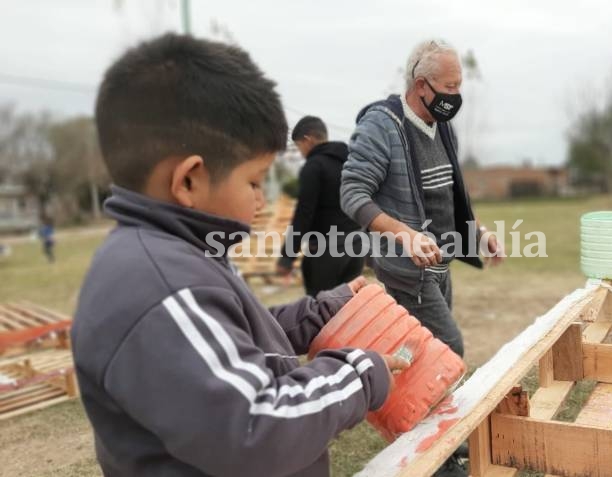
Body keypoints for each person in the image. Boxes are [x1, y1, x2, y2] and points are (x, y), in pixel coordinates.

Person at [71, 34, 406, 477]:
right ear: (189, 180)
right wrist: (359, 375)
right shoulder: (163, 285)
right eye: (253, 182)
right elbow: (256, 428)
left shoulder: (172, 258)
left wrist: (324, 310)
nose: (261, 203)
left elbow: (234, 344)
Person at [340, 39, 502, 476]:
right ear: (421, 85)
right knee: (448, 351)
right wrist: (405, 235)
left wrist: (479, 231)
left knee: (425, 363)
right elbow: (352, 193)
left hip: (441, 266)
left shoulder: (441, 125)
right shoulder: (383, 125)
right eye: (448, 87)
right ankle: (440, 458)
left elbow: (450, 193)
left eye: (459, 85)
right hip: (409, 268)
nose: (456, 96)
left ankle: (436, 442)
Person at [277, 116, 365, 296]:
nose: (300, 153)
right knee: (348, 306)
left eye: (299, 146)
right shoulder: (352, 162)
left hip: (327, 251)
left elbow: (304, 213)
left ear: (307, 140)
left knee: (320, 310)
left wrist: (287, 257)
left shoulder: (314, 166)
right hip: (357, 247)